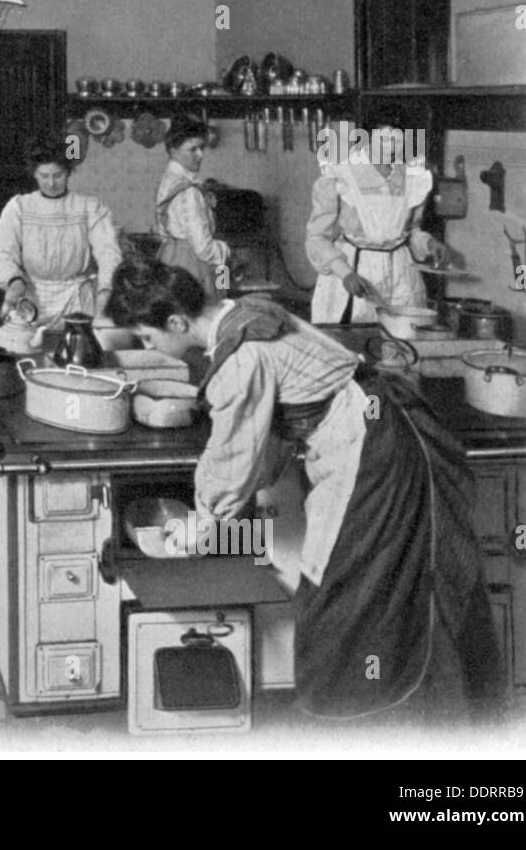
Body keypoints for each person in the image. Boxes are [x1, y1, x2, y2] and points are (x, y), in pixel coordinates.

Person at [106, 259, 505, 720]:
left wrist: (205, 522)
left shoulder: (241, 359)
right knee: (374, 581)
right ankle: (385, 714)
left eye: (149, 337)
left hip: (370, 447)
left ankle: (370, 719)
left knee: (350, 588)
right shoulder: (248, 310)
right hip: (382, 419)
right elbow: (271, 428)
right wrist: (241, 496)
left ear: (176, 322)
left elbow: (234, 454)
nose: (150, 346)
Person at [305, 123, 450, 324]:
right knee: (355, 341)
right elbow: (317, 238)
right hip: (356, 274)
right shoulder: (341, 175)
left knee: (403, 341)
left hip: (402, 275)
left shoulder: (412, 176)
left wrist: (429, 244)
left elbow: (409, 231)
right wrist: (344, 273)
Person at [0, 132, 122, 326]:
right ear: (34, 173)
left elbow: (108, 252)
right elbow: (3, 253)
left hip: (78, 301)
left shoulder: (89, 207)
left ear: (68, 172)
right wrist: (13, 282)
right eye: (44, 176)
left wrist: (105, 290)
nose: (51, 183)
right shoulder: (19, 207)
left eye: (58, 175)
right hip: (32, 301)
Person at [154, 115, 229, 302]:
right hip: (193, 264)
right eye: (192, 149)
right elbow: (204, 248)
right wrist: (225, 251)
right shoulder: (189, 192)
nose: (200, 155)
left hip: (169, 256)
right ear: (173, 151)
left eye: (202, 148)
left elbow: (163, 230)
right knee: (211, 306)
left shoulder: (168, 181)